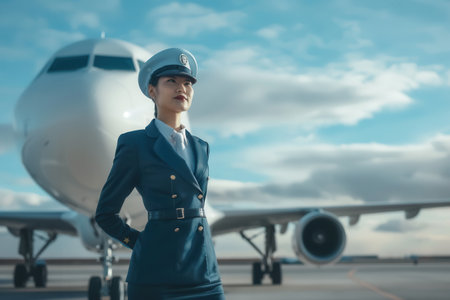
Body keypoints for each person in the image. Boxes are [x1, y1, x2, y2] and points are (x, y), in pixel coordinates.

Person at [95, 48, 225, 299]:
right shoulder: (135, 144)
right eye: (171, 82)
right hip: (156, 274)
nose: (182, 88)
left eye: (187, 83)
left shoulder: (201, 146)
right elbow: (105, 213)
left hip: (204, 272)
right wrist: (142, 244)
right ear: (152, 91)